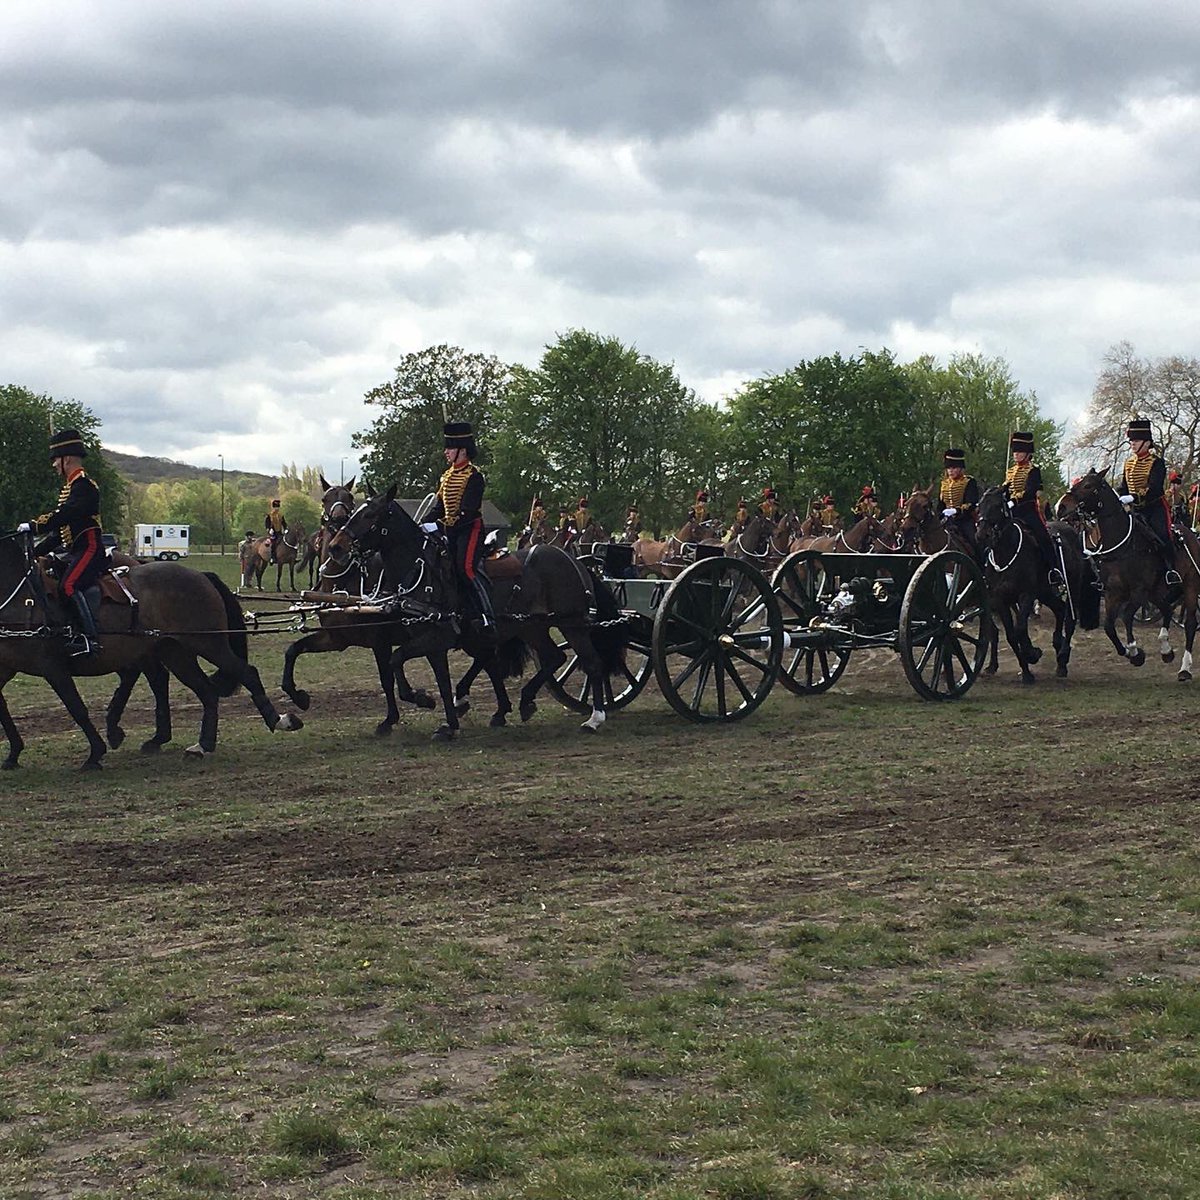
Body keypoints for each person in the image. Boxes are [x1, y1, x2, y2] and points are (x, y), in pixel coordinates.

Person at [17, 428, 105, 656]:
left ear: (66, 459)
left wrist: (35, 525)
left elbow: (67, 514)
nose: (54, 465)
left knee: (68, 586)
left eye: (56, 459)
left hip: (90, 548)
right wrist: (33, 551)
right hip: (75, 550)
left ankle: (88, 639)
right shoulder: (71, 487)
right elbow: (59, 533)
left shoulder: (84, 486)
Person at [422, 420, 495, 628]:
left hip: (469, 530)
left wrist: (440, 526)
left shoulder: (474, 476)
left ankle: (485, 614)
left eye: (450, 447)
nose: (446, 452)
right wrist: (423, 523)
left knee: (466, 569)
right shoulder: (446, 477)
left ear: (462, 450)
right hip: (450, 531)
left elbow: (468, 512)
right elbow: (439, 508)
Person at [1118, 417, 1180, 585]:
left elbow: (1155, 489)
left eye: (1136, 440)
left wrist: (1134, 497)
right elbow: (1123, 486)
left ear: (1147, 443)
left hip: (1154, 509)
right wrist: (1119, 496)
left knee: (1162, 536)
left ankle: (1171, 571)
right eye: (1131, 440)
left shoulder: (1157, 463)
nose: (1132, 443)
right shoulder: (1128, 463)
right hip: (1134, 510)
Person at [1004, 431, 1061, 585]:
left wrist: (1014, 500)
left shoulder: (1033, 470)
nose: (1016, 454)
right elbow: (1005, 489)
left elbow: (1030, 491)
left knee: (1043, 536)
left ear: (1028, 453)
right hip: (1011, 513)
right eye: (1015, 451)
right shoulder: (1010, 472)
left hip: (1027, 511)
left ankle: (1054, 570)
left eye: (1019, 451)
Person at [938, 448, 980, 550]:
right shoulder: (944, 484)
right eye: (948, 468)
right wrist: (941, 514)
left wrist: (955, 511)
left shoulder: (969, 482)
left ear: (961, 468)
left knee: (974, 542)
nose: (950, 471)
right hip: (946, 521)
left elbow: (971, 503)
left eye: (954, 468)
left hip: (964, 521)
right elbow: (940, 504)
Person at [265, 498, 288, 563]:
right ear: (273, 507)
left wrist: (286, 528)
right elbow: (267, 523)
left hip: (279, 532)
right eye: (275, 507)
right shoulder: (270, 515)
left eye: (278, 507)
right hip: (272, 532)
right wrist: (269, 529)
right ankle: (272, 557)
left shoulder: (280, 515)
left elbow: (284, 523)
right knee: (274, 544)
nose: (277, 508)